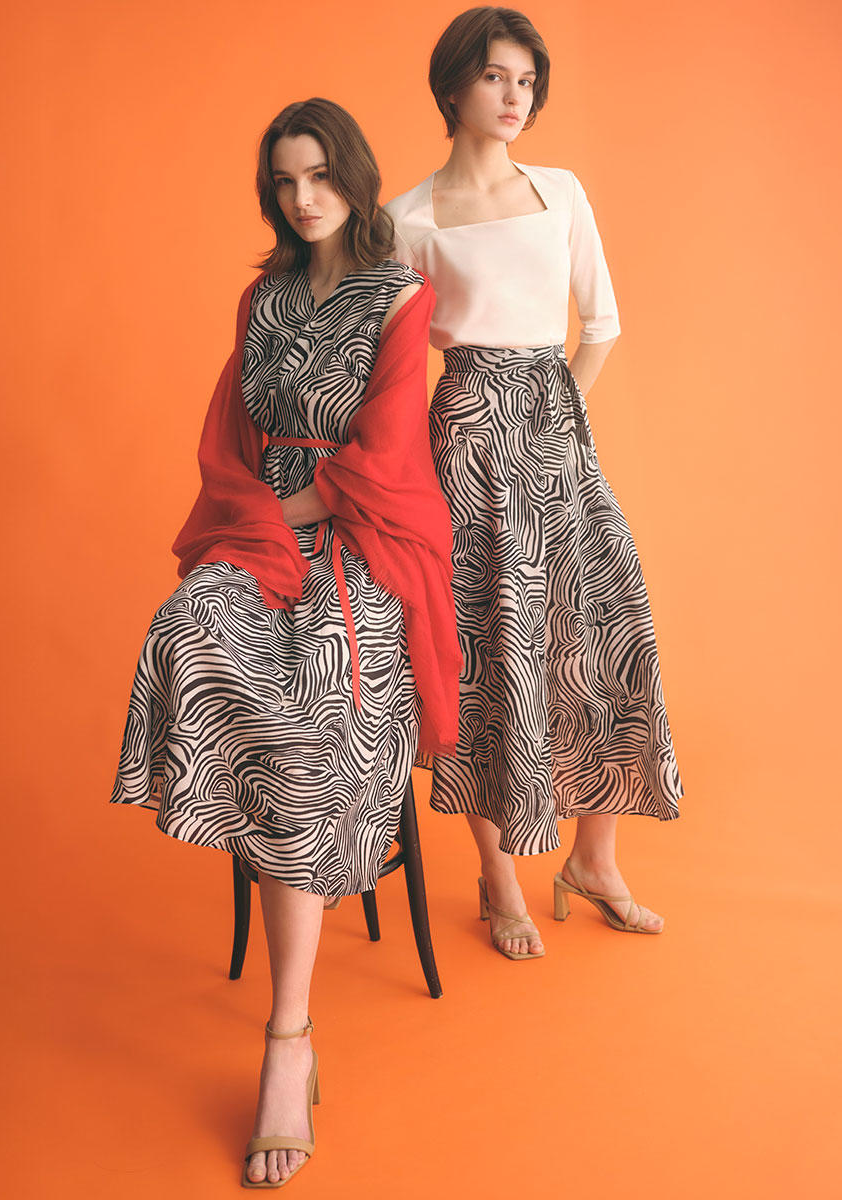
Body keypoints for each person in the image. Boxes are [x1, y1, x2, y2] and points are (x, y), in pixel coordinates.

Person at [111, 97, 459, 1187]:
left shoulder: (400, 296)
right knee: (184, 628)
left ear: (354, 175)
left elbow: (387, 454)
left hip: (361, 544)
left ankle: (287, 1038)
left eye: (319, 175)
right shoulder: (261, 300)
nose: (303, 198)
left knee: (312, 712)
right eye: (284, 181)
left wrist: (288, 513)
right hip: (255, 535)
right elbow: (228, 441)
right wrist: (251, 525)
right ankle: (267, 812)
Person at [384, 7, 682, 962]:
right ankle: (500, 876)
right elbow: (394, 363)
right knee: (488, 650)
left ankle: (594, 861)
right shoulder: (409, 218)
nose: (515, 97)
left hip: (557, 435)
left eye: (526, 81)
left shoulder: (561, 192)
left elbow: (602, 323)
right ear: (452, 87)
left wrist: (560, 417)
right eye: (495, 78)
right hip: (467, 443)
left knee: (604, 629)